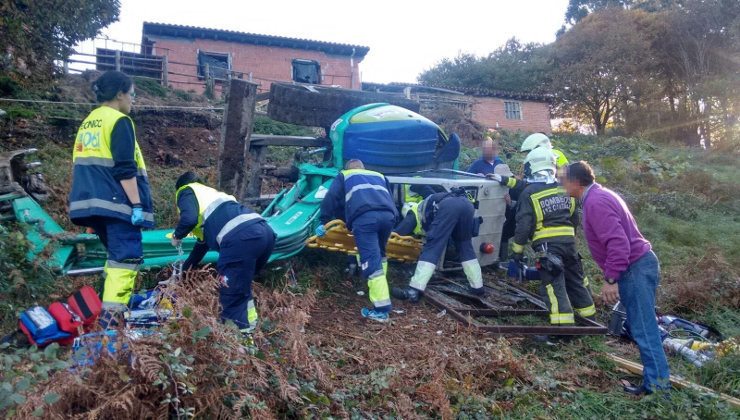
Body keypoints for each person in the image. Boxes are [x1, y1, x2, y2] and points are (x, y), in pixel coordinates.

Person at [562, 161, 670, 395]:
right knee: (638, 326)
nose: (562, 183)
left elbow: (618, 242)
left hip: (635, 268)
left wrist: (610, 279)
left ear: (577, 182)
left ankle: (659, 390)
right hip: (636, 267)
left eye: (565, 179)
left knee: (644, 329)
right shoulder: (598, 195)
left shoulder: (596, 202)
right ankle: (654, 381)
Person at [68, 71, 153, 316]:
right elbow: (125, 168)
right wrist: (136, 204)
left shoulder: (89, 121)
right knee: (126, 259)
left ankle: (106, 315)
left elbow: (85, 166)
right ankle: (112, 323)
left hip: (91, 203)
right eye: (132, 94)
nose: (133, 100)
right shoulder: (119, 121)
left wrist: (94, 216)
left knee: (114, 260)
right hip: (117, 205)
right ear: (119, 94)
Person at [170, 172, 275, 334]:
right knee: (241, 289)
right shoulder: (212, 197)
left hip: (240, 239)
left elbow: (189, 219)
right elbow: (200, 248)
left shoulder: (185, 190)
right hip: (265, 233)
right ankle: (250, 329)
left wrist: (178, 235)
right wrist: (184, 271)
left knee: (231, 295)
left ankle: (238, 343)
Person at [508, 148, 595, 330]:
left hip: (547, 249)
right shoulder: (564, 189)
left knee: (553, 287)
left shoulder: (529, 192)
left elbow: (523, 225)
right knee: (576, 281)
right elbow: (574, 218)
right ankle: (591, 323)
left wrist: (517, 251)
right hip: (569, 245)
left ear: (533, 167)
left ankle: (563, 331)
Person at [317, 159, 397, 322]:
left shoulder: (345, 175)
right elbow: (390, 197)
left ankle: (381, 309)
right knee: (380, 255)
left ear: (348, 168)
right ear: (363, 167)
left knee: (370, 260)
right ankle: (381, 293)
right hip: (388, 217)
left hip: (365, 219)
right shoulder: (379, 175)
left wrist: (324, 221)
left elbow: (332, 197)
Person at [391, 188, 484, 302]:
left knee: (432, 247)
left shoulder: (413, 213)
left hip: (449, 206)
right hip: (467, 205)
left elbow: (396, 234)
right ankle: (478, 287)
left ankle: (413, 290)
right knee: (465, 246)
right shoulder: (426, 205)